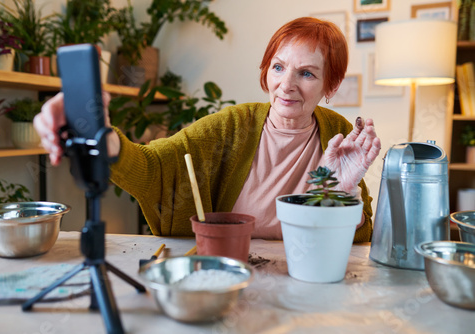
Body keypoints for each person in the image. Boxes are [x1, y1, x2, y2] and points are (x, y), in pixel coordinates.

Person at [34, 17, 381, 242]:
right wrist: (97, 130)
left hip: (309, 276)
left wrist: (341, 195)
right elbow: (153, 168)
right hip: (234, 271)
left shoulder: (337, 131)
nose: (286, 85)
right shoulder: (232, 126)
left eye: (306, 73)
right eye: (278, 67)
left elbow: (361, 237)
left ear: (330, 86)